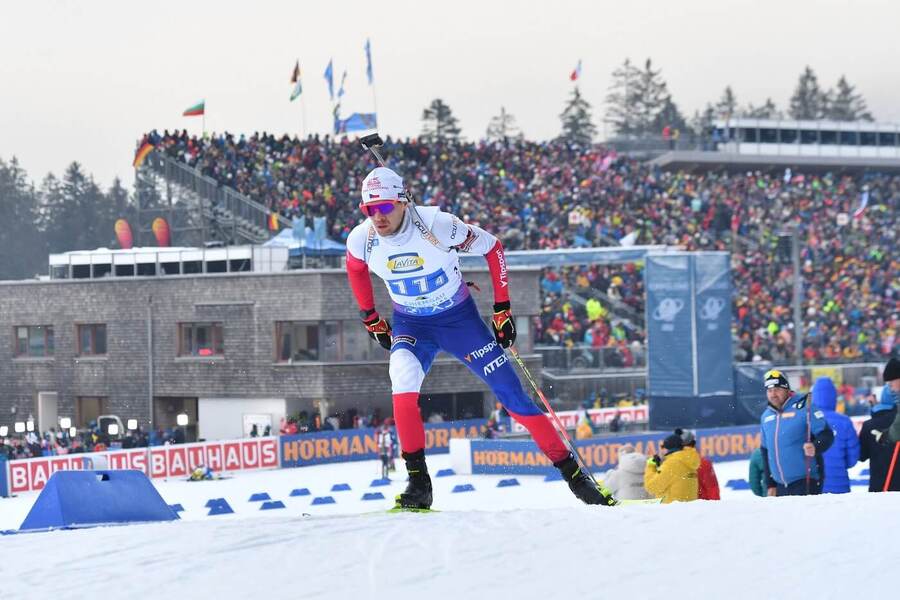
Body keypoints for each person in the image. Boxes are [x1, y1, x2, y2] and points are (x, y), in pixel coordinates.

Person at [345, 166, 615, 508]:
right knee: (401, 377)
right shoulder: (362, 238)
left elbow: (493, 248)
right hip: (411, 324)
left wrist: (502, 308)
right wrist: (370, 317)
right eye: (369, 209)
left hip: (459, 322)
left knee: (513, 397)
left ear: (403, 201)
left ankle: (576, 478)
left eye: (383, 207)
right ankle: (418, 483)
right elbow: (355, 270)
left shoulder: (437, 225)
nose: (377, 217)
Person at [759, 369, 834, 496]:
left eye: (777, 389)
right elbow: (766, 452)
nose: (773, 394)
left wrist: (815, 446)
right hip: (780, 486)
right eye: (769, 390)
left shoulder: (805, 406)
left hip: (805, 481)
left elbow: (826, 434)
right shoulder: (766, 416)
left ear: (787, 389)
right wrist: (770, 484)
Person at [811, 377, 859, 493]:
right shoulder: (844, 422)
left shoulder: (808, 420)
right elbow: (852, 457)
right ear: (834, 398)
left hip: (814, 484)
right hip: (839, 485)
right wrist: (839, 466)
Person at [859, 358, 900, 491]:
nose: (892, 387)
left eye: (892, 383)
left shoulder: (870, 425)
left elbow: (861, 455)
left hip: (879, 484)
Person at [644, 432, 699, 503]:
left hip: (672, 509)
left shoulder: (672, 464)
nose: (661, 452)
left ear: (668, 448)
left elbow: (652, 487)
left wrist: (651, 466)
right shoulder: (688, 460)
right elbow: (677, 480)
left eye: (663, 448)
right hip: (688, 507)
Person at [678, 429, 720, 500]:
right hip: (700, 506)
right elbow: (712, 488)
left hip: (679, 507)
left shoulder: (670, 462)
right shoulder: (703, 463)